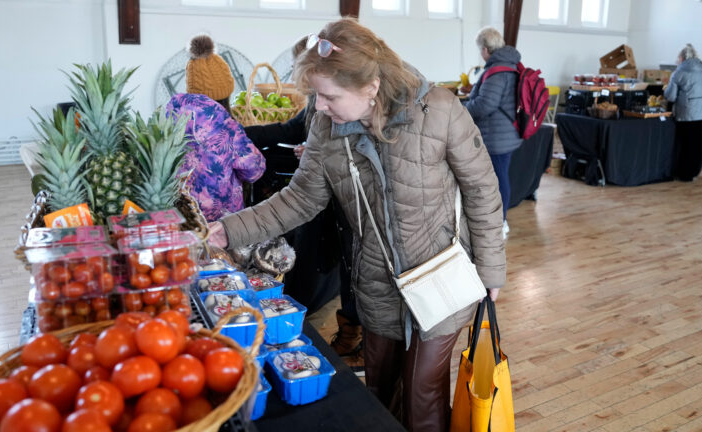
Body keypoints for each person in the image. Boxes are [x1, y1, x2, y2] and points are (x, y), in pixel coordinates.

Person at [208, 18, 505, 431]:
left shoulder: (437, 109)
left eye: (328, 96)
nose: (319, 106)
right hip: (376, 282)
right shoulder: (326, 130)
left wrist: (490, 268)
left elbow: (482, 189)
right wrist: (230, 229)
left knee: (423, 391)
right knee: (381, 388)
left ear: (371, 87)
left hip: (442, 276)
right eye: (316, 95)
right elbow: (299, 198)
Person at [243, 37, 364, 371]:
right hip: (327, 196)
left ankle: (354, 339)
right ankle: (344, 333)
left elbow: (353, 144)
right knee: (343, 264)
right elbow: (293, 128)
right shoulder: (317, 99)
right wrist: (242, 133)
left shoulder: (349, 99)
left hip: (347, 199)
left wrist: (316, 151)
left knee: (354, 268)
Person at [166, 34, 266, 222]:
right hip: (219, 221)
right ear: (224, 93)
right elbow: (255, 169)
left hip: (178, 213)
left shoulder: (171, 115)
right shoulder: (226, 125)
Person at [462, 26, 522, 240]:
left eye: (481, 50)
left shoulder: (497, 71)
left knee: (498, 179)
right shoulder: (509, 65)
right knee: (499, 177)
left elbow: (485, 104)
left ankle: (501, 222)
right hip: (505, 134)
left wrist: (462, 110)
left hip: (497, 137)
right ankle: (497, 219)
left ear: (486, 49)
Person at [664, 43, 702, 182]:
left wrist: (665, 90)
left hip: (689, 114)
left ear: (681, 58)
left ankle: (685, 175)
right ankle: (694, 172)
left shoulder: (679, 73)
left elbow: (671, 96)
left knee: (686, 145)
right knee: (697, 144)